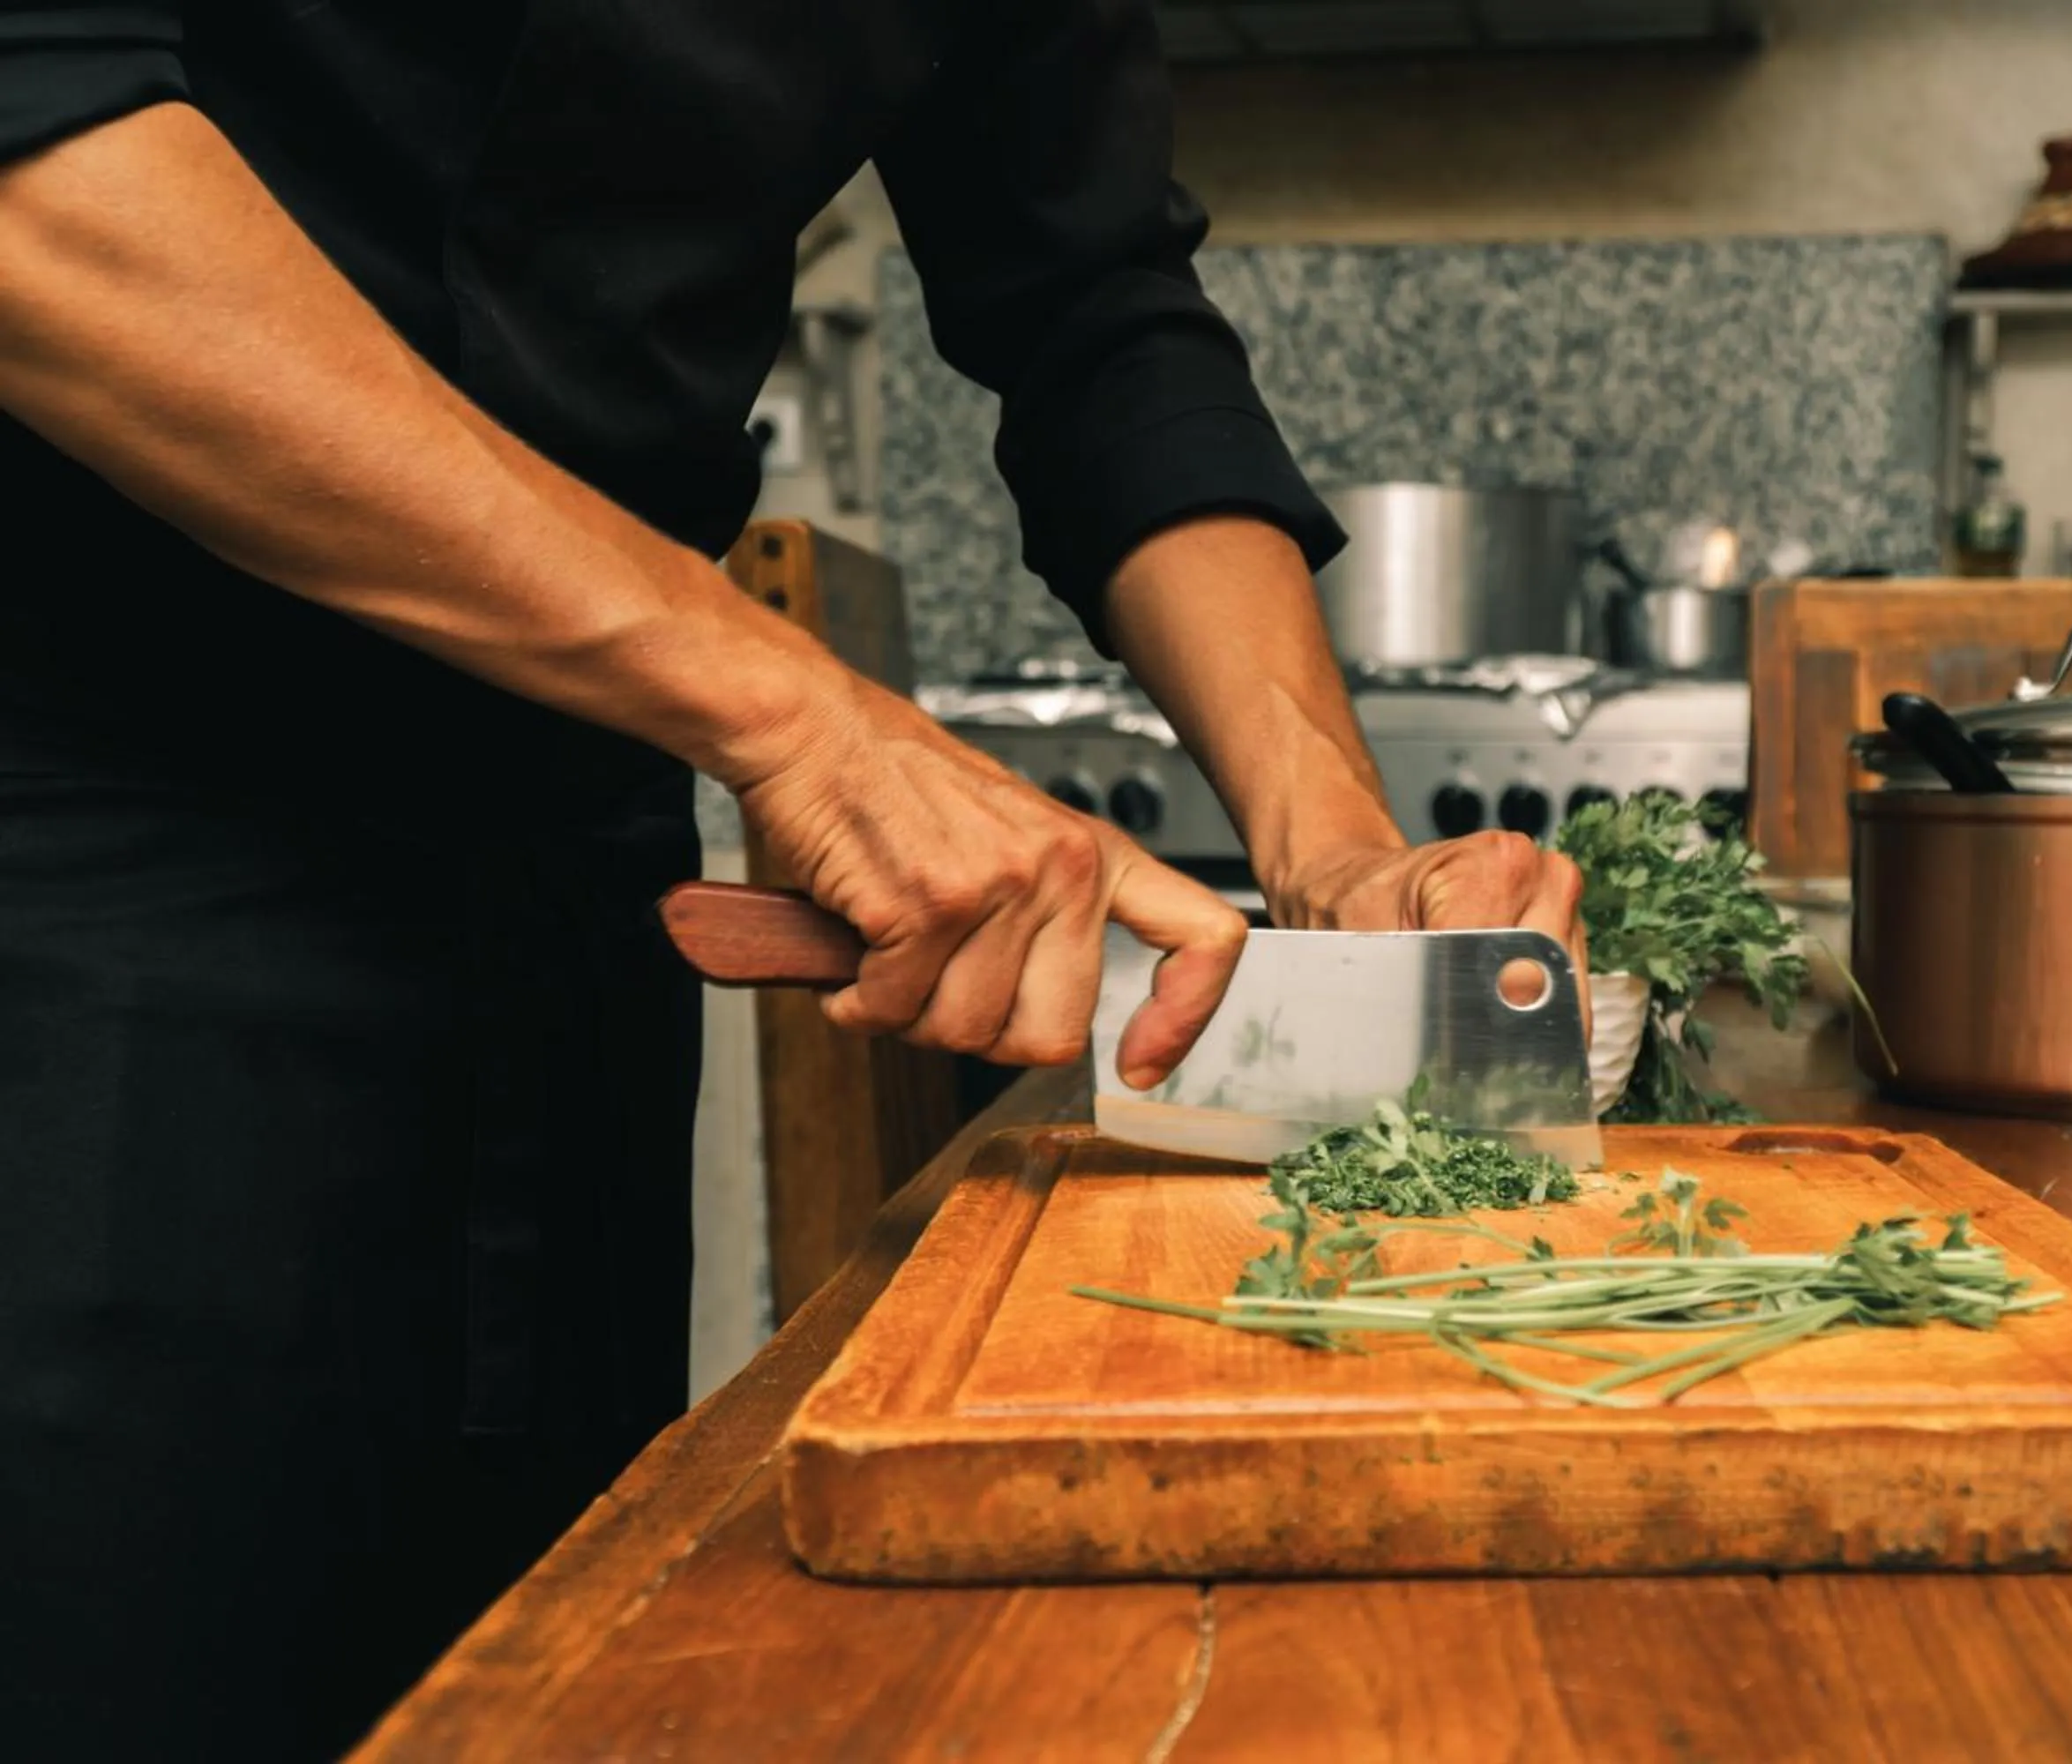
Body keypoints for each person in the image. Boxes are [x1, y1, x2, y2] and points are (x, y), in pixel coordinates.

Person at [0, 4, 1584, 1755]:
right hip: (83, 844)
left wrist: (1333, 835)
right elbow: (36, 181)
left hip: (571, 890)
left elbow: (1093, 308)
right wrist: (799, 717)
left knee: (553, 1679)